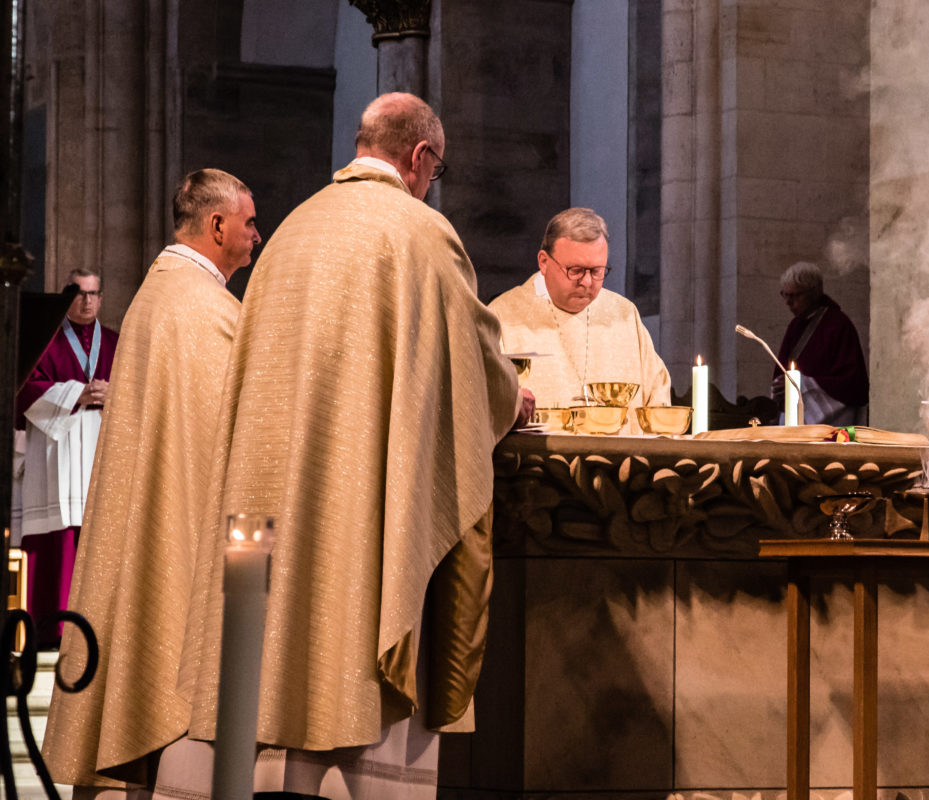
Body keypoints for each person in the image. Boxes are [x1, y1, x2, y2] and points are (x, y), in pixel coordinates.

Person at [161, 92, 532, 799]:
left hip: (272, 510)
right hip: (363, 502)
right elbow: (475, 355)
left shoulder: (292, 230)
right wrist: (513, 399)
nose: (433, 181)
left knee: (278, 657)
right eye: (437, 169)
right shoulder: (421, 233)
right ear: (420, 158)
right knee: (361, 631)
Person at [42, 168, 260, 793]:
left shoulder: (162, 292)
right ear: (217, 225)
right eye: (249, 224)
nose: (257, 237)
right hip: (188, 535)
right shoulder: (203, 307)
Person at [490, 207, 670, 433]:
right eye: (575, 271)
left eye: (597, 271)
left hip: (623, 465)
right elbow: (486, 404)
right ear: (544, 262)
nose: (586, 282)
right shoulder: (503, 316)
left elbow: (657, 397)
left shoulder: (625, 315)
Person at [14, 267, 118, 646]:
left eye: (93, 294)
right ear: (67, 297)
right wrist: (78, 394)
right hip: (57, 450)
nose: (87, 301)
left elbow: (140, 392)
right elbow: (24, 388)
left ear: (101, 297)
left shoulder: (115, 342)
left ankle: (101, 625)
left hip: (101, 447)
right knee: (58, 534)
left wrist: (113, 393)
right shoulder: (47, 341)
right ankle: (51, 627)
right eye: (79, 294)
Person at [769, 262, 869, 425]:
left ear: (814, 293)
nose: (788, 302)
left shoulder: (838, 325)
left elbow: (852, 383)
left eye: (795, 296)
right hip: (795, 419)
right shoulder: (795, 326)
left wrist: (802, 384)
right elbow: (782, 370)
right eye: (785, 295)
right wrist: (781, 387)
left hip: (831, 422)